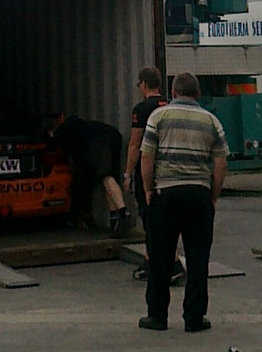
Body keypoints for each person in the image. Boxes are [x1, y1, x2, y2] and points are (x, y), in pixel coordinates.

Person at [138, 70, 228, 333]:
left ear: (174, 93)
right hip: (198, 196)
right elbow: (221, 164)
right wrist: (212, 195)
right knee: (198, 259)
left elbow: (147, 157)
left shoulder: (159, 116)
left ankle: (157, 316)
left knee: (160, 257)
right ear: (197, 94)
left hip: (166, 194)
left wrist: (148, 190)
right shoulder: (211, 121)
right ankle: (194, 317)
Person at [125, 67, 182, 283]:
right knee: (162, 217)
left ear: (144, 84)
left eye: (138, 84)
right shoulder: (169, 106)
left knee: (150, 218)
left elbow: (134, 144)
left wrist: (128, 173)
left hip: (146, 170)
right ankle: (150, 262)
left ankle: (174, 264)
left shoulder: (141, 109)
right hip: (168, 170)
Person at [51, 113, 132, 235]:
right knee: (108, 180)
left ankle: (123, 212)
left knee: (105, 176)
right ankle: (115, 222)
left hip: (100, 142)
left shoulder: (67, 130)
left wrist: (51, 136)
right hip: (113, 135)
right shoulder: (87, 127)